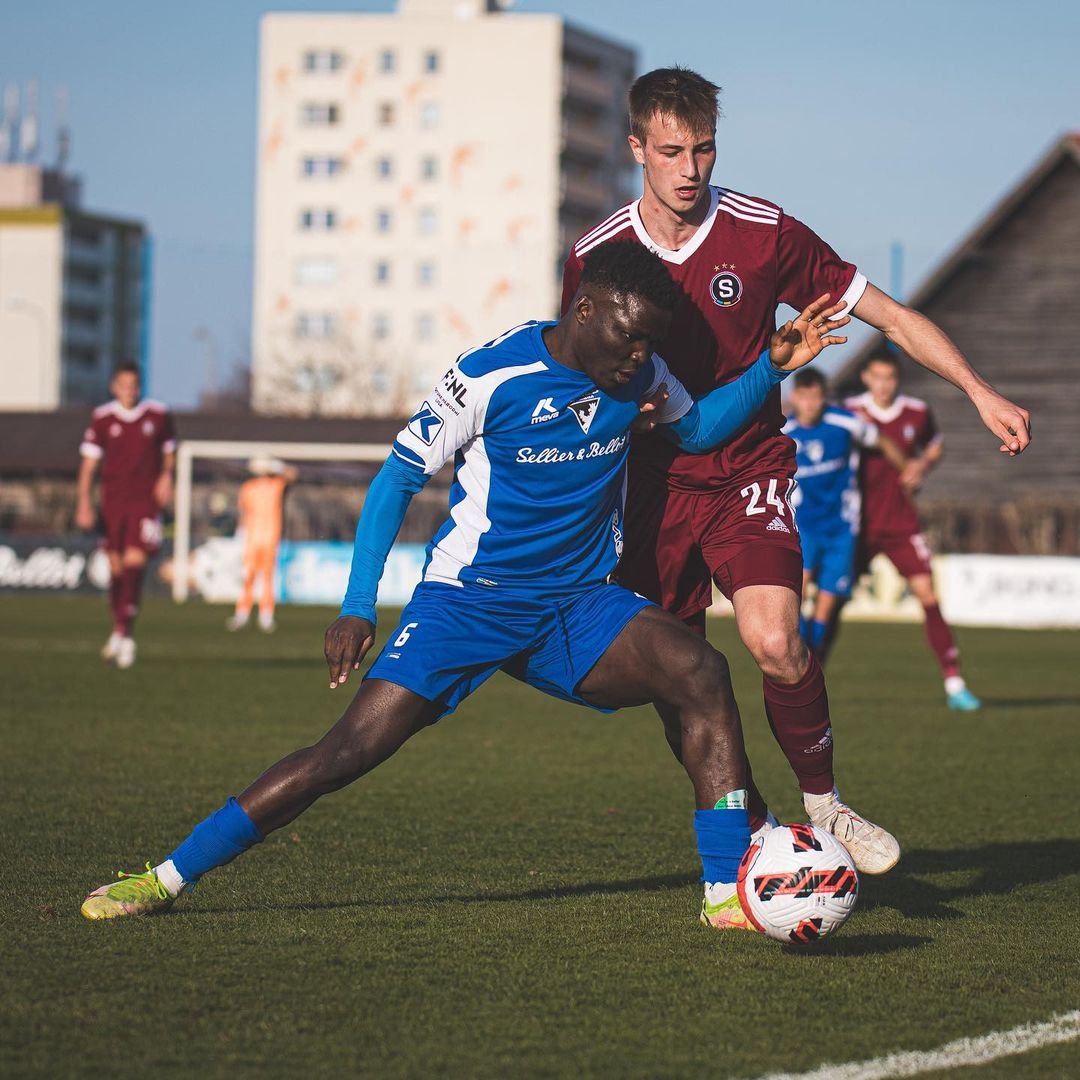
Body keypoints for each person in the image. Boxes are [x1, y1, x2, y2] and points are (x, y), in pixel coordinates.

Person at [80, 241, 849, 931]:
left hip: (578, 602)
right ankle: (166, 877)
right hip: (468, 602)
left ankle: (723, 893)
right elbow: (395, 479)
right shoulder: (489, 374)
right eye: (629, 336)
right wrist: (357, 605)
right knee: (342, 754)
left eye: (651, 342)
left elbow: (699, 430)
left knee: (701, 670)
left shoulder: (640, 372)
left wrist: (771, 367)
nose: (640, 356)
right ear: (585, 310)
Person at [561, 67, 1030, 874]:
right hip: (649, 490)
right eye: (671, 152)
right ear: (635, 147)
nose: (690, 169)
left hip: (747, 467)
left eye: (704, 149)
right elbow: (574, 374)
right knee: (681, 681)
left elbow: (889, 315)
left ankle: (825, 803)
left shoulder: (764, 231)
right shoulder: (596, 255)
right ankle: (760, 829)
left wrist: (978, 390)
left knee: (775, 641)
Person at [844, 354, 981, 710]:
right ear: (866, 377)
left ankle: (955, 683)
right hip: (856, 523)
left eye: (889, 377)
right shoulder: (849, 411)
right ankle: (803, 682)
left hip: (901, 522)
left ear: (897, 379)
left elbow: (935, 444)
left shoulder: (917, 412)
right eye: (877, 376)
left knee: (928, 595)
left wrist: (922, 464)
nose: (883, 384)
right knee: (829, 600)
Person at [782, 369, 907, 661]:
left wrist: (908, 471)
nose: (810, 404)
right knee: (795, 595)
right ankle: (802, 659)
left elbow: (882, 440)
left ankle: (812, 660)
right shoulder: (784, 432)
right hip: (802, 526)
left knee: (826, 606)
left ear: (824, 398)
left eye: (816, 397)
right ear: (794, 397)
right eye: (804, 397)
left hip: (842, 527)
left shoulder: (845, 423)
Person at [76, 364, 176, 670]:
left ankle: (124, 635)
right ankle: (119, 629)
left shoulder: (157, 414)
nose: (129, 390)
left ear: (140, 386)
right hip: (113, 504)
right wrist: (84, 503)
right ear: (114, 386)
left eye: (134, 384)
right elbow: (89, 465)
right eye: (124, 384)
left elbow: (169, 451)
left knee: (135, 563)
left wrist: (166, 477)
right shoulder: (102, 418)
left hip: (145, 503)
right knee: (116, 569)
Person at [226, 458, 298, 633]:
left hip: (270, 537)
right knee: (248, 576)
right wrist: (241, 531)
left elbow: (293, 474)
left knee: (267, 577)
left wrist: (277, 466)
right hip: (252, 537)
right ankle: (242, 613)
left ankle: (266, 615)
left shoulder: (276, 485)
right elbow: (244, 512)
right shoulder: (248, 487)